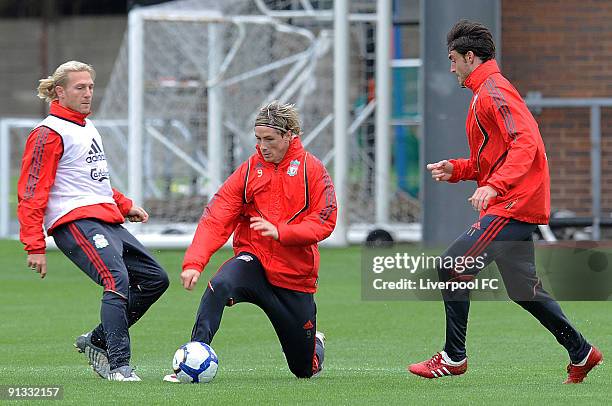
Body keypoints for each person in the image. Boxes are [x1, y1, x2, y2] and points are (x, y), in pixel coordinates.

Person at [408, 20, 602, 384]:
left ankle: (453, 357)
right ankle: (582, 351)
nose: (450, 68)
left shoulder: (494, 90)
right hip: (514, 199)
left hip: (513, 203)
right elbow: (493, 157)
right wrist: (458, 169)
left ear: (470, 57)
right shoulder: (486, 92)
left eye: (453, 60)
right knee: (524, 290)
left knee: (452, 265)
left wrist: (495, 187)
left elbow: (526, 143)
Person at [17, 60, 169, 381]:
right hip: (75, 222)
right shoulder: (48, 132)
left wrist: (125, 204)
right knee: (117, 280)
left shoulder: (87, 126)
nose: (88, 93)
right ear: (60, 92)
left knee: (156, 278)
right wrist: (34, 244)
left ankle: (97, 339)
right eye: (80, 87)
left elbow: (94, 181)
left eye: (90, 87)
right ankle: (119, 367)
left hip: (106, 219)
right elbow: (32, 191)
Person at [163, 101, 337, 381]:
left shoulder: (312, 170)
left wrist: (282, 232)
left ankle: (314, 343)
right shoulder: (249, 171)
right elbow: (217, 216)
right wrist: (194, 262)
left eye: (269, 139)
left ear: (289, 135)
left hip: (294, 278)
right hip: (254, 261)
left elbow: (326, 219)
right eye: (258, 139)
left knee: (304, 370)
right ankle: (193, 355)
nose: (262, 146)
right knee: (220, 285)